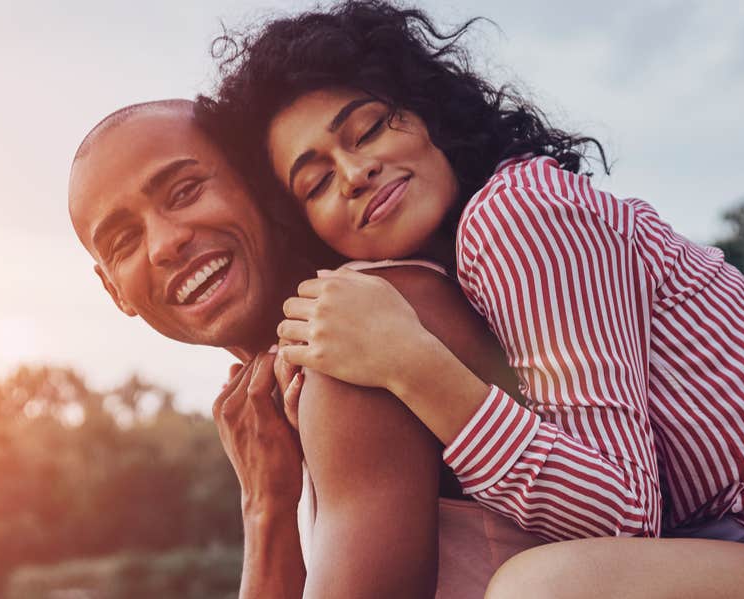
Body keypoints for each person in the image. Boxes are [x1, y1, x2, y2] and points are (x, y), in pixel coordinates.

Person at [195, 1, 744, 595]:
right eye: (318, 180)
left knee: (540, 589)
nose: (356, 173)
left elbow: (626, 520)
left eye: (369, 128)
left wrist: (411, 364)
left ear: (426, 115)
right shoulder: (453, 276)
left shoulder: (515, 213)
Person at [67, 99, 548, 598]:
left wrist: (265, 515)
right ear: (115, 292)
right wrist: (269, 500)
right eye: (124, 240)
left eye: (185, 191)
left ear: (261, 183)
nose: (164, 244)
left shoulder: (355, 340)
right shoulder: (294, 379)